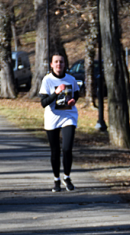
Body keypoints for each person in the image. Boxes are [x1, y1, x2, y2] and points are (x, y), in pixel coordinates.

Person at [39, 53, 79, 192]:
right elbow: (43, 103)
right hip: (52, 118)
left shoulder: (71, 79)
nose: (58, 64)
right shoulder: (47, 80)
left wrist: (74, 100)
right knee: (55, 150)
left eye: (61, 62)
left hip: (68, 116)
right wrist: (56, 93)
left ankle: (67, 177)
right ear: (51, 64)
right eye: (56, 62)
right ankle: (56, 179)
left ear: (65, 64)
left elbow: (76, 94)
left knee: (67, 149)